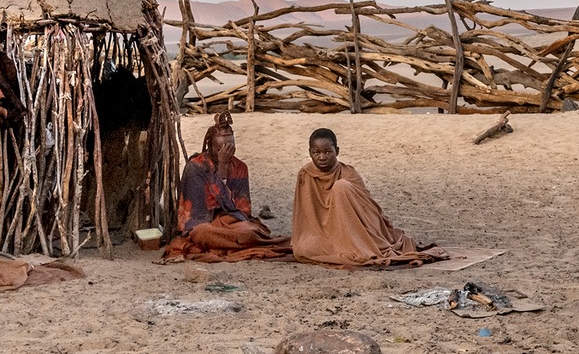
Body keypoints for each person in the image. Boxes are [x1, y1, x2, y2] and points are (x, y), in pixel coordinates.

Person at [290, 128, 446, 269]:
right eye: (316, 153)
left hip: (356, 230)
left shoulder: (349, 174)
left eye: (327, 152)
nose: (322, 157)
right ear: (310, 152)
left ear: (336, 151)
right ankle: (340, 246)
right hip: (324, 233)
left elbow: (368, 209)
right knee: (303, 248)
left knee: (341, 187)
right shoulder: (305, 174)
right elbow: (304, 215)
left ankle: (350, 246)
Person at [165, 113, 291, 263]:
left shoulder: (240, 167)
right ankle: (232, 243)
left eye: (230, 148)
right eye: (221, 148)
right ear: (210, 145)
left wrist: (225, 166)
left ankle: (235, 242)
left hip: (232, 223)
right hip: (205, 225)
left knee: (250, 233)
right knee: (201, 233)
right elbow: (196, 217)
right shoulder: (195, 168)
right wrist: (222, 168)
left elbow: (241, 210)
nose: (226, 153)